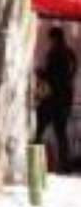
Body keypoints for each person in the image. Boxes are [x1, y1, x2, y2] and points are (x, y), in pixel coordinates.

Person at [35, 26, 77, 172]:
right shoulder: (70, 53)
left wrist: (40, 73)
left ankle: (35, 163)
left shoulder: (55, 54)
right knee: (61, 133)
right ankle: (65, 165)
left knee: (38, 128)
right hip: (66, 98)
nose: (50, 43)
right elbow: (70, 74)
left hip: (54, 99)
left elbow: (52, 76)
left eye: (50, 39)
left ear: (54, 38)